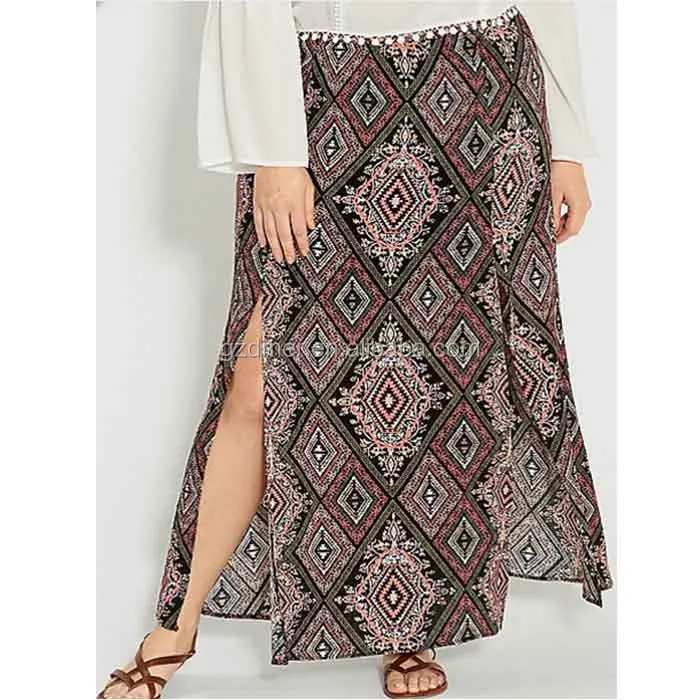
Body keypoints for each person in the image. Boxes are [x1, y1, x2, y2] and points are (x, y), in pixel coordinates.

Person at [98, 1, 613, 698]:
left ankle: (411, 626)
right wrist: (277, 152)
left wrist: (566, 143)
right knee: (260, 379)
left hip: (482, 90)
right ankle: (176, 625)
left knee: (443, 377)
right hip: (326, 95)